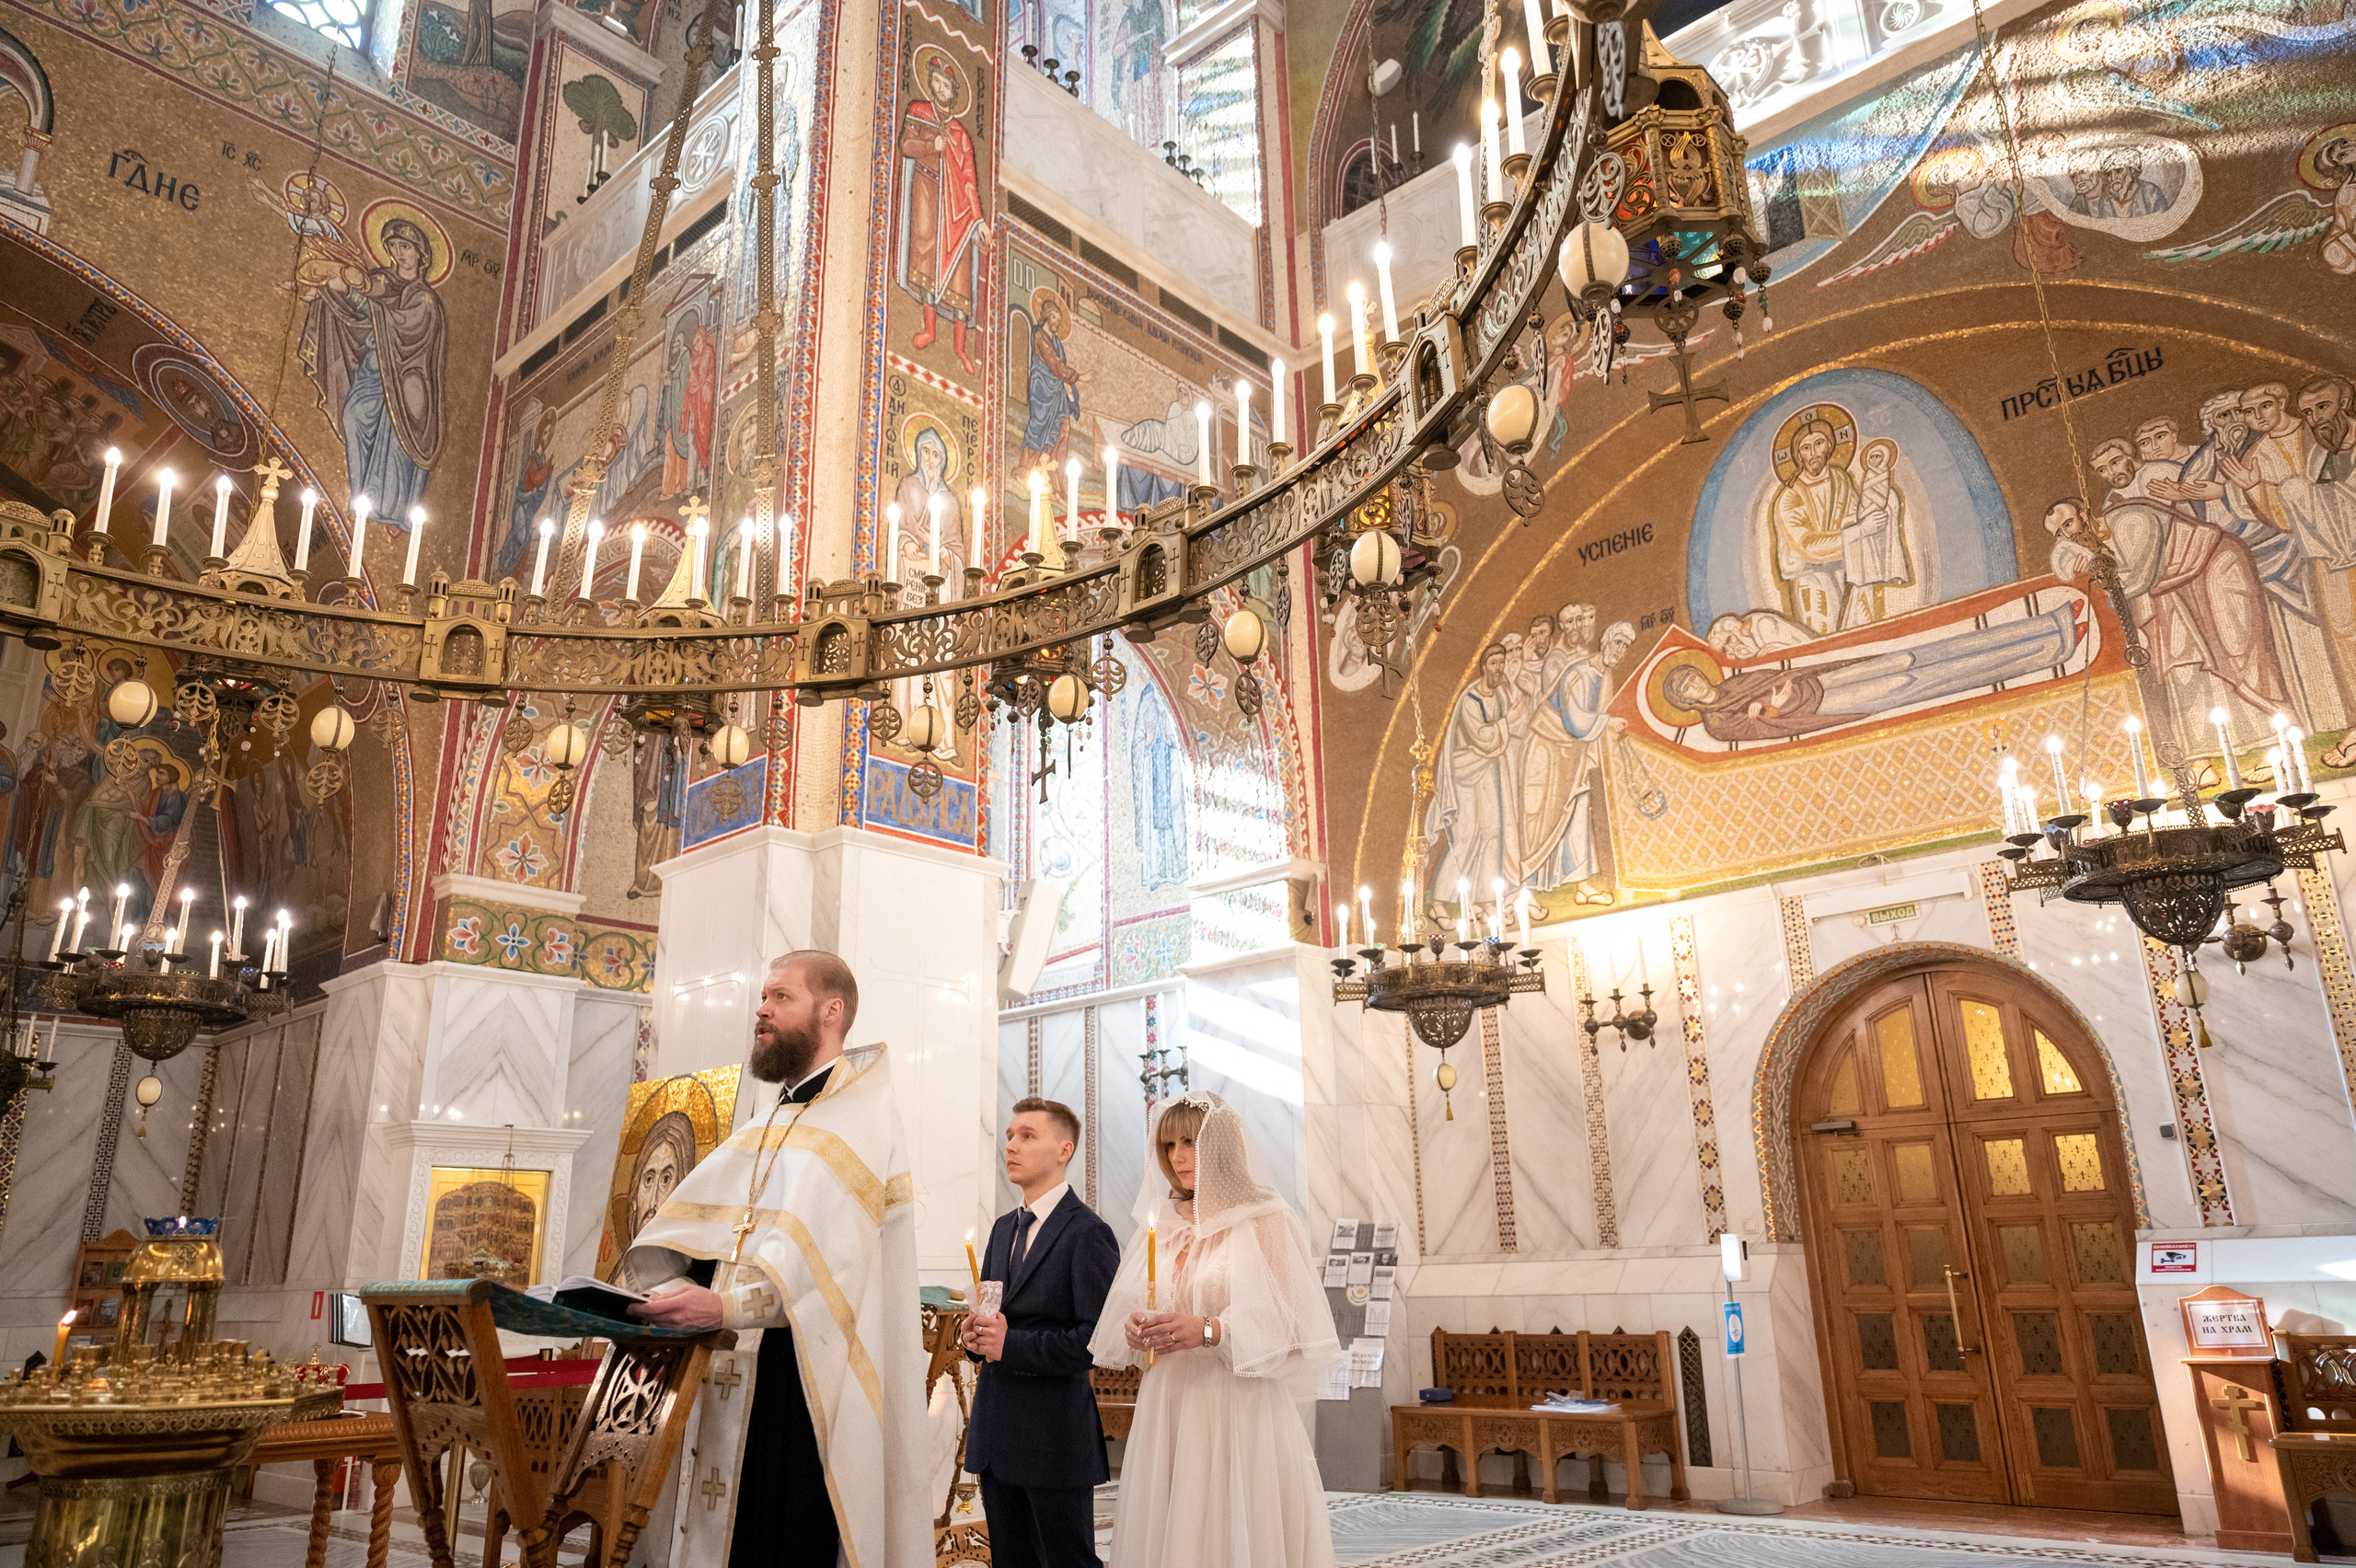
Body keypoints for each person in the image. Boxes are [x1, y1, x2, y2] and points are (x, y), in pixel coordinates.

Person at [622, 951, 931, 1568]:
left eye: (781, 997)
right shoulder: (768, 1123)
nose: (761, 1009)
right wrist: (671, 1282)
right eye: (763, 997)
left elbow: (838, 1274)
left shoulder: (864, 1123)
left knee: (782, 1535)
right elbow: (716, 1236)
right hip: (729, 1365)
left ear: (831, 1011)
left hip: (805, 1382)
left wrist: (725, 1304)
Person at [1091, 1093, 1340, 1568]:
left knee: (1231, 1526)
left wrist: (1209, 1329)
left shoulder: (1265, 1218)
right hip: (1169, 1397)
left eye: (1190, 1142)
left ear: (1222, 1145)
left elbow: (1293, 1325)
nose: (1178, 1157)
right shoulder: (1164, 1223)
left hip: (1235, 1400)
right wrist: (1137, 1324)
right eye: (1168, 1146)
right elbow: (1138, 1299)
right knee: (1170, 1528)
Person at [959, 1099, 1121, 1568]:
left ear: (1064, 1149)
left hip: (1053, 1435)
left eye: (1027, 1136)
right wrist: (975, 1338)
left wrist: (1012, 1344)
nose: (1011, 1145)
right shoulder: (1002, 1228)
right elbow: (992, 1319)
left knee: (1068, 1560)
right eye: (1009, 1135)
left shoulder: (1087, 1232)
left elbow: (1095, 1340)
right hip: (996, 1431)